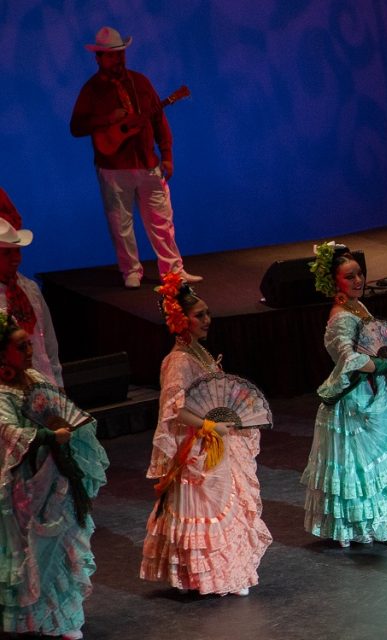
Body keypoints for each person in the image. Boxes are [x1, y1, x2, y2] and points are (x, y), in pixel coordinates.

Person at [140, 274, 272, 595]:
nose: (207, 320)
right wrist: (211, 426)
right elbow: (176, 411)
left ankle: (229, 570)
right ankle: (202, 576)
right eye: (200, 315)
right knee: (206, 507)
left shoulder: (199, 352)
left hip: (216, 443)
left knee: (229, 503)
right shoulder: (177, 361)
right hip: (199, 446)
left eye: (207, 313)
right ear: (180, 319)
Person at [301, 242, 387, 548]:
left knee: (375, 461)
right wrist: (382, 364)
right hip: (354, 397)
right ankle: (378, 526)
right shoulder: (341, 316)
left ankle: (379, 521)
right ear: (334, 283)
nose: (358, 281)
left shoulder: (358, 306)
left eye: (359, 274)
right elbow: (349, 358)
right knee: (362, 464)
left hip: (371, 391)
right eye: (349, 277)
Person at [0, 310, 109, 640]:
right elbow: (7, 432)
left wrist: (70, 431)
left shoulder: (35, 378)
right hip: (28, 485)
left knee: (65, 541)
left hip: (57, 478)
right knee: (32, 547)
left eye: (28, 344)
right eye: (20, 347)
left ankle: (64, 617)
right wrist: (45, 437)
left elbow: (60, 409)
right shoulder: (2, 393)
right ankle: (34, 619)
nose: (29, 351)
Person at [69, 26, 201, 289]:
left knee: (162, 219)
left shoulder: (140, 82)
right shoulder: (91, 90)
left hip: (147, 162)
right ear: (98, 58)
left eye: (120, 54)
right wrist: (108, 119)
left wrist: (167, 155)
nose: (118, 59)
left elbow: (158, 119)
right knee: (121, 223)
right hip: (113, 166)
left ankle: (173, 271)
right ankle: (131, 270)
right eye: (111, 55)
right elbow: (76, 127)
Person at [0, 188, 63, 384]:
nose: (16, 259)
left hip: (45, 391)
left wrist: (58, 388)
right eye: (7, 254)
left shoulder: (29, 289)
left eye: (17, 252)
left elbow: (49, 348)